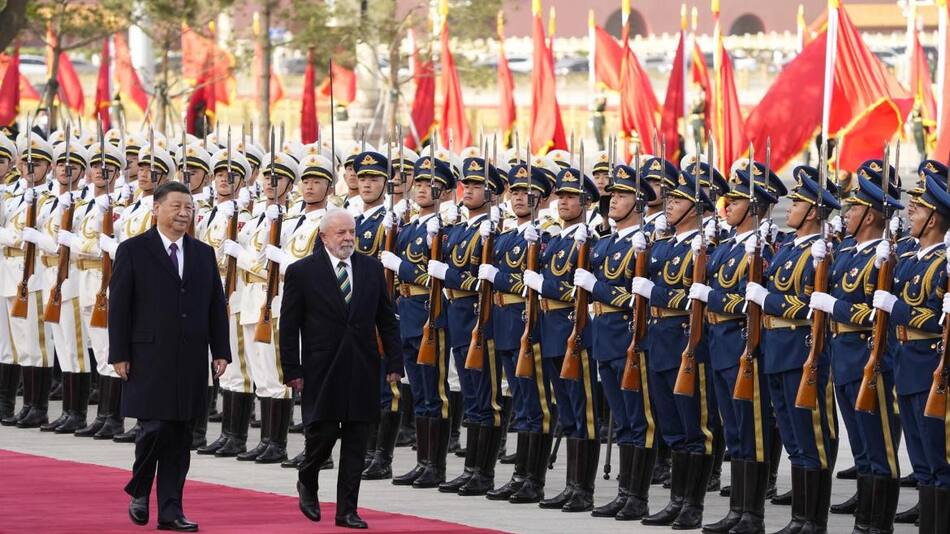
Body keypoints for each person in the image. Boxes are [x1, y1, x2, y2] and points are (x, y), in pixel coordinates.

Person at [109, 180, 230, 531]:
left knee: (179, 435)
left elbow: (214, 306)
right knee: (154, 427)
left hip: (191, 356)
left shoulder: (203, 253)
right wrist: (118, 353)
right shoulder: (133, 250)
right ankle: (140, 486)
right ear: (156, 209)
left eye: (188, 208)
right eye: (176, 206)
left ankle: (171, 510)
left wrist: (220, 350)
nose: (183, 213)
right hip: (148, 354)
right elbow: (119, 307)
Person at [280, 208, 402, 529]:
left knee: (357, 441)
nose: (348, 238)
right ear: (323, 237)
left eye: (351, 232)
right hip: (321, 369)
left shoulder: (372, 269)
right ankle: (308, 475)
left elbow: (386, 320)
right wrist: (292, 368)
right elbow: (289, 326)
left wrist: (394, 361)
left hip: (362, 367)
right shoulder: (302, 272)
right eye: (341, 233)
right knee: (323, 434)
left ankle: (347, 510)